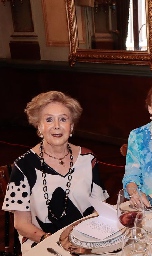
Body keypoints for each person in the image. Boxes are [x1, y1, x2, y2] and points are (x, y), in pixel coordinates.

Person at [1, 91, 109, 253]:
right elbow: (21, 224)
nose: (57, 125)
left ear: (71, 126)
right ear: (39, 127)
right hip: (42, 241)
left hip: (84, 240)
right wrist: (52, 240)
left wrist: (87, 239)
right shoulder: (24, 166)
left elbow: (99, 208)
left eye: (63, 119)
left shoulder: (88, 158)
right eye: (49, 119)